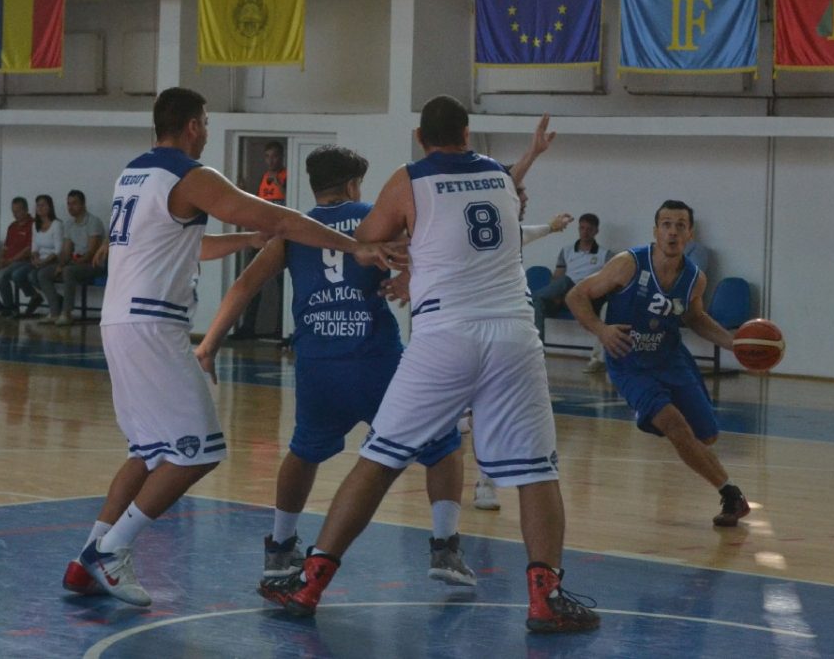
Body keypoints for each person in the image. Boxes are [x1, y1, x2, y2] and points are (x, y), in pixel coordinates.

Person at [259, 95, 599, 634]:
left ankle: (310, 583)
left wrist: (407, 259)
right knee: (537, 472)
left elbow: (366, 239)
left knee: (379, 459)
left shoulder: (410, 178)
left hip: (445, 335)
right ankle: (544, 598)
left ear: (421, 137)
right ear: (467, 132)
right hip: (513, 334)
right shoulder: (501, 179)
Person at [61, 87, 403, 608]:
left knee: (148, 452)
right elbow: (279, 220)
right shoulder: (188, 175)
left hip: (120, 321)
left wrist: (243, 243)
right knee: (199, 452)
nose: (207, 132)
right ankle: (112, 551)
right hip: (153, 325)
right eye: (205, 123)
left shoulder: (134, 173)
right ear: (193, 125)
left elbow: (184, 244)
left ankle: (87, 556)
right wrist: (354, 244)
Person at [196, 145, 475, 590]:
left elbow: (245, 285)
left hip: (317, 364)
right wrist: (407, 279)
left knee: (303, 453)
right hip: (376, 362)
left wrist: (209, 344)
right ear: (352, 185)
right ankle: (445, 548)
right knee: (443, 444)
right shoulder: (374, 218)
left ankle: (279, 548)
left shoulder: (294, 230)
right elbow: (432, 254)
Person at [565, 200, 749, 529]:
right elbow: (576, 295)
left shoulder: (695, 279)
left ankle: (656, 420)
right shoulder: (628, 264)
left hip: (671, 359)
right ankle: (731, 494)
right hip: (630, 363)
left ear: (690, 234)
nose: (672, 232)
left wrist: (735, 344)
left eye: (680, 225)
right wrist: (602, 330)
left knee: (705, 437)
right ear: (655, 231)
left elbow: (695, 318)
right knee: (674, 425)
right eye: (666, 225)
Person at [473, 177, 573, 512]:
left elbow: (524, 233)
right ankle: (483, 482)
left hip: (516, 336)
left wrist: (552, 227)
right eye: (519, 191)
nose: (526, 196)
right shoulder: (479, 233)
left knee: (509, 413)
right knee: (485, 411)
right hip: (481, 332)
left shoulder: (508, 230)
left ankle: (495, 480)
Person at [531, 213, 613, 372]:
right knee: (539, 301)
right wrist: (556, 296)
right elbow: (557, 277)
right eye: (582, 228)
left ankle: (532, 299)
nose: (585, 232)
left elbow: (608, 279)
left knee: (567, 284)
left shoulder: (605, 254)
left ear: (596, 231)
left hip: (585, 295)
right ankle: (538, 351)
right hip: (564, 291)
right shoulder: (567, 251)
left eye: (589, 229)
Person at [237, 140, 288, 339]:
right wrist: (242, 193)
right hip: (262, 235)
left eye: (274, 156)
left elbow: (291, 199)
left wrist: (278, 183)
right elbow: (259, 204)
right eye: (267, 156)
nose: (271, 160)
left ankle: (280, 330)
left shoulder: (286, 176)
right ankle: (248, 328)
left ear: (281, 157)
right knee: (253, 280)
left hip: (281, 237)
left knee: (281, 285)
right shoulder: (264, 177)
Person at [39, 189, 105, 326]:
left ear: (83, 204)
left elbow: (91, 252)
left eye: (74, 203)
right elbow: (66, 250)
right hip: (75, 263)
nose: (70, 207)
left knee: (68, 271)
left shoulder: (94, 222)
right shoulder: (69, 224)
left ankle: (67, 313)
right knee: (43, 273)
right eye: (68, 204)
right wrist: (60, 265)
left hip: (93, 264)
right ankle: (54, 311)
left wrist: (68, 265)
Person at [17, 194, 62, 319]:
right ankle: (55, 298)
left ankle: (54, 310)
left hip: (53, 261)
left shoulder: (56, 225)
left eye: (43, 205)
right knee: (25, 274)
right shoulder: (35, 225)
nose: (40, 208)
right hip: (40, 261)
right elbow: (34, 246)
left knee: (40, 275)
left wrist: (44, 262)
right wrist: (35, 258)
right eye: (38, 205)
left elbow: (58, 250)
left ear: (50, 207)